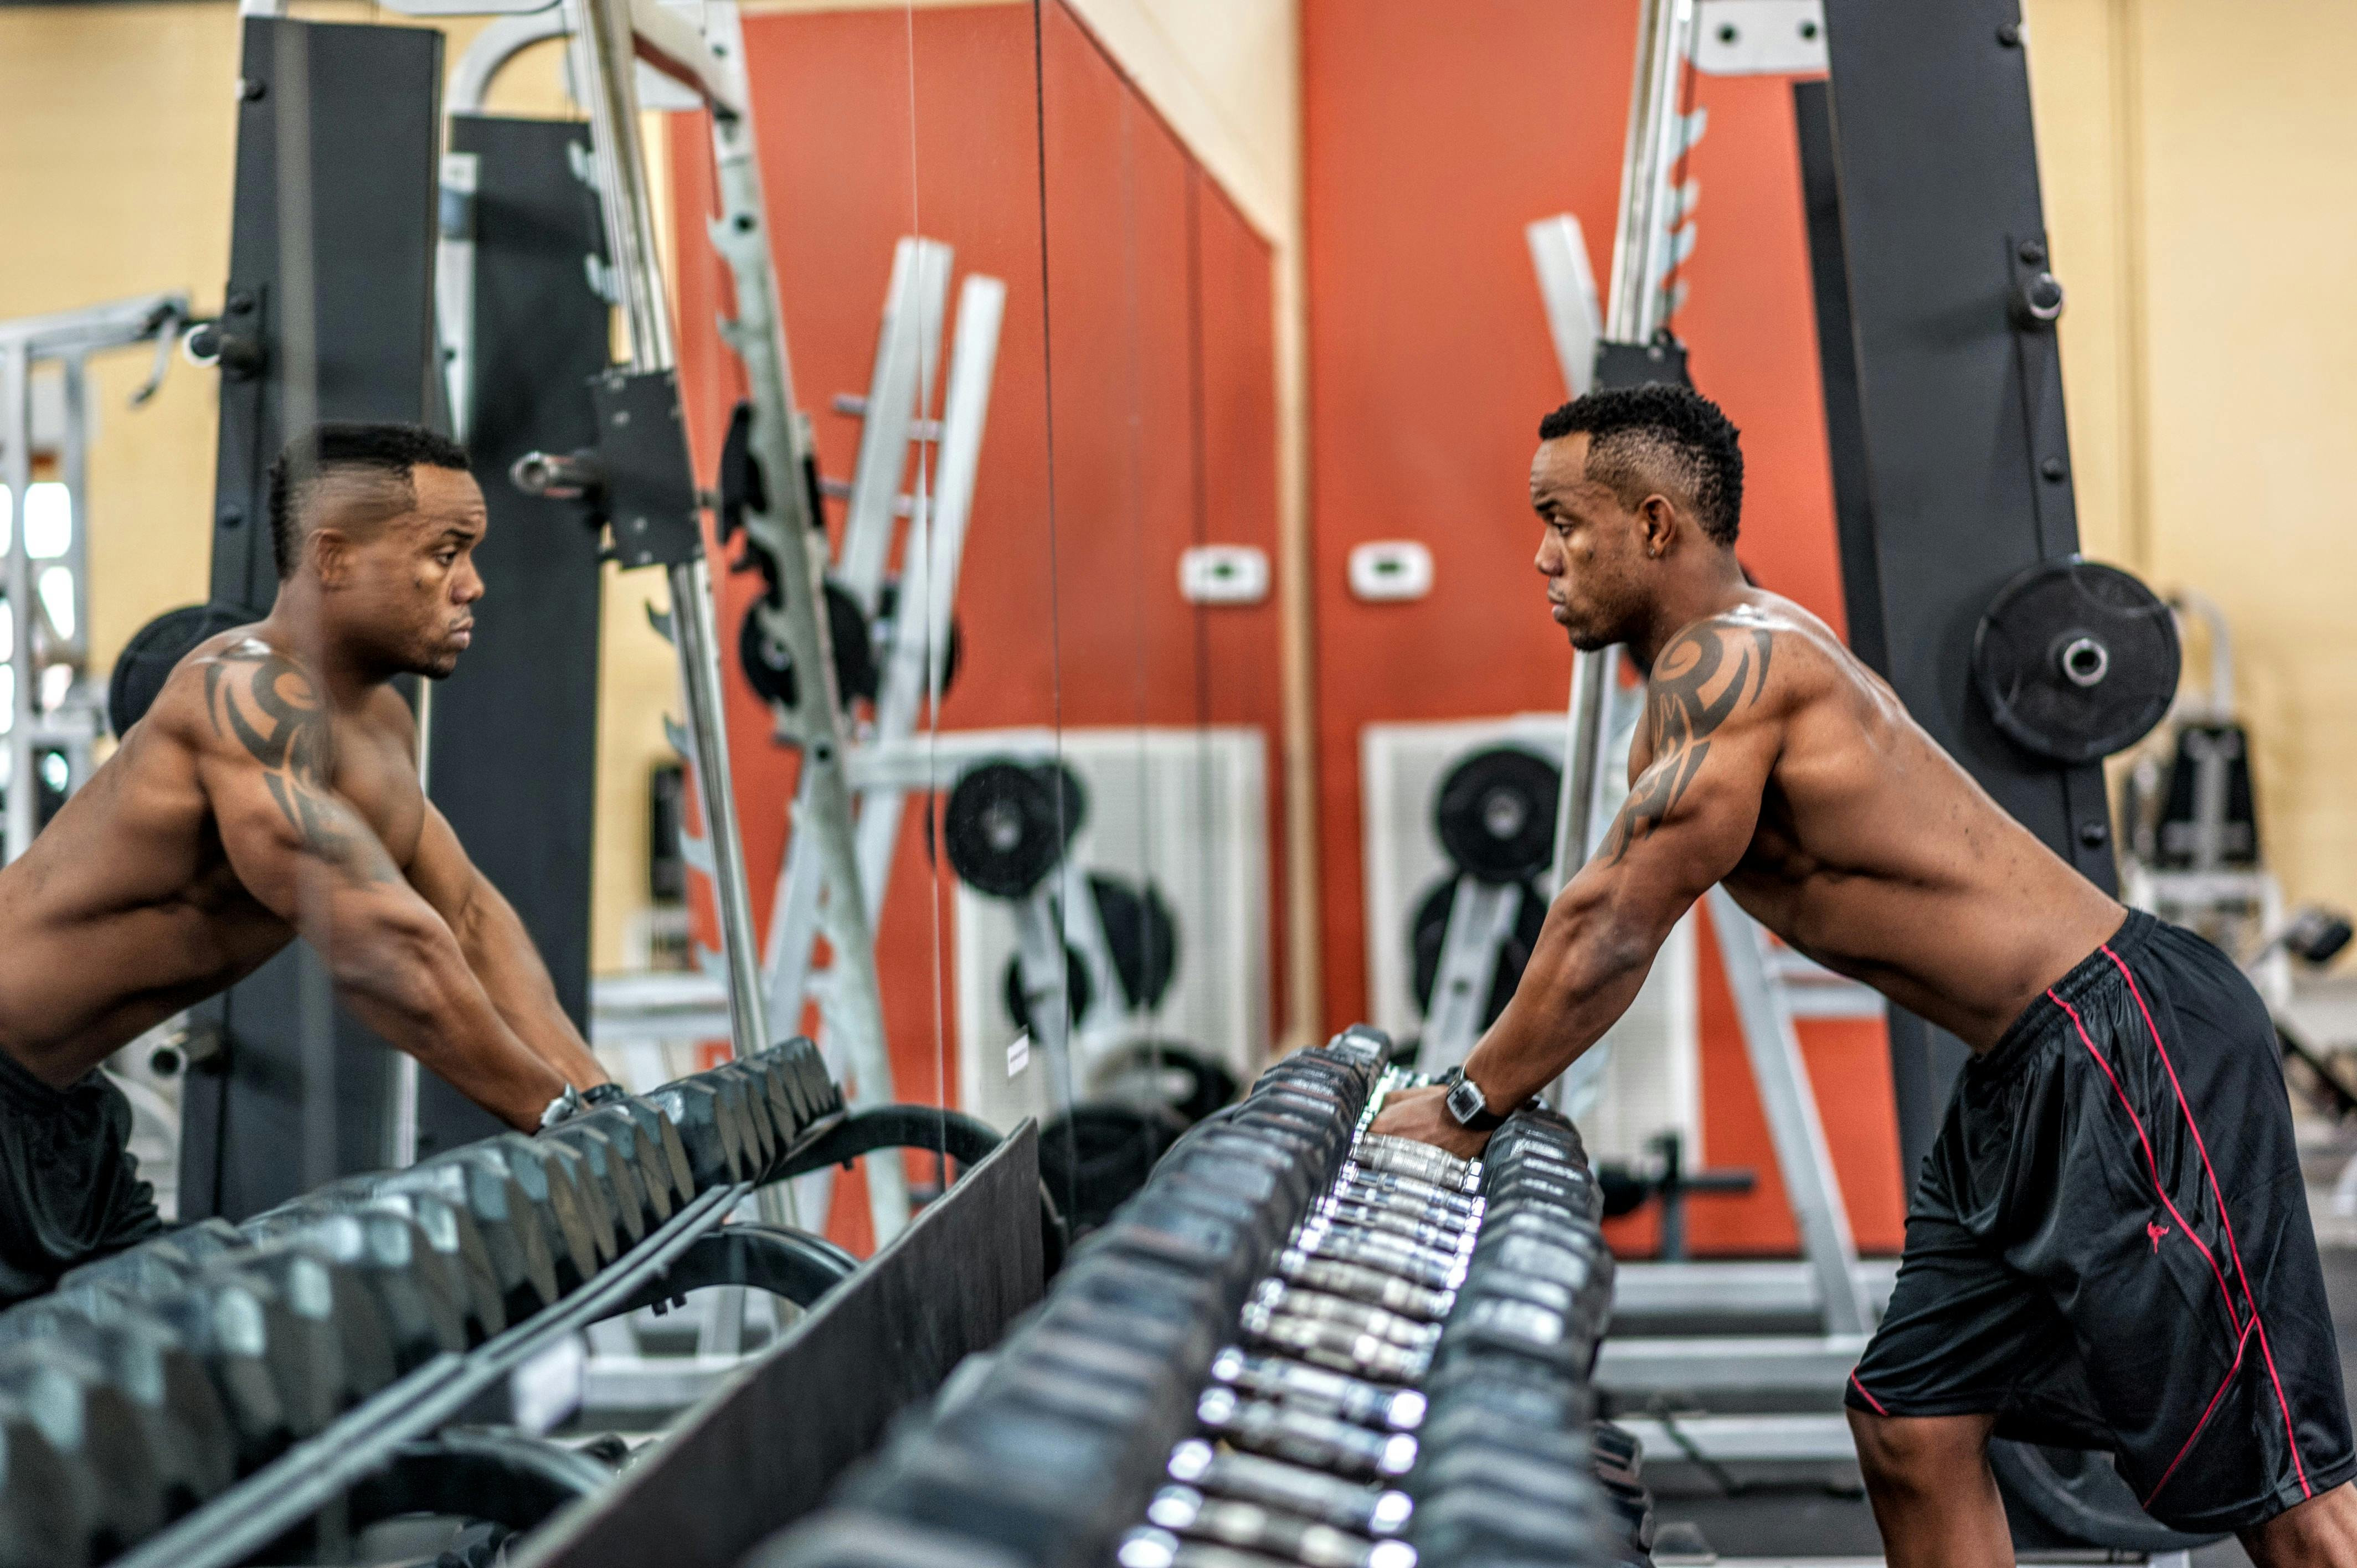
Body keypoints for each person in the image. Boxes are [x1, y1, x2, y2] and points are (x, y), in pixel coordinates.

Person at [1368, 384, 2357, 1563]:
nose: (1542, 555)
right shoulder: (1725, 663)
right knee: (1913, 1421)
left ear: (1652, 525)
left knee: (2286, 1496)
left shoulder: (1732, 668)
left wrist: (1468, 1107)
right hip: (2023, 1074)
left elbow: (1612, 924)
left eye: (1562, 521)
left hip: (2126, 1043)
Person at [0, 422, 613, 1305]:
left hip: (62, 1116)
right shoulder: (242, 692)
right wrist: (552, 1118)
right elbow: (380, 949)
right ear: (334, 559)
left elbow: (468, 920)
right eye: (445, 554)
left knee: (187, 1387)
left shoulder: (379, 729)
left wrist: (604, 1107)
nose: (473, 585)